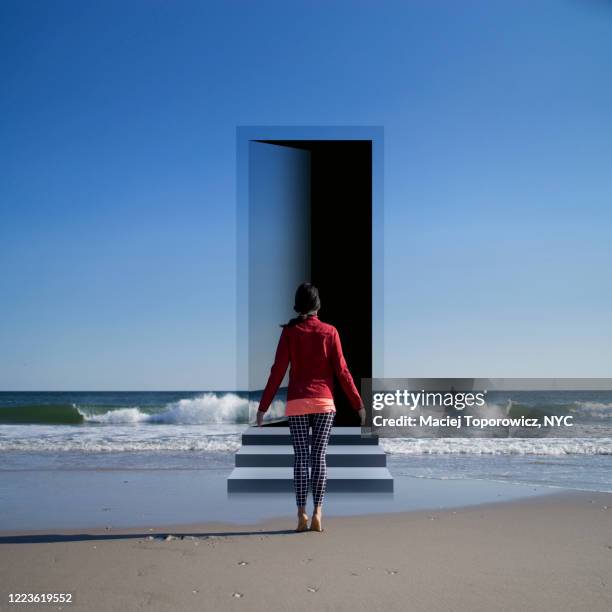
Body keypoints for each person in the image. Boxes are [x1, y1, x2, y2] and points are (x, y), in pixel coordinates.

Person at [256, 282, 366, 532]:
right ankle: (318, 512)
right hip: (324, 403)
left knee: (301, 458)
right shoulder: (330, 331)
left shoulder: (289, 333)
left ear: (297, 304)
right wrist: (358, 403)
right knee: (319, 457)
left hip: (296, 403)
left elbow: (277, 371)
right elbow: (343, 371)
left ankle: (301, 514)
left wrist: (263, 406)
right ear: (318, 305)